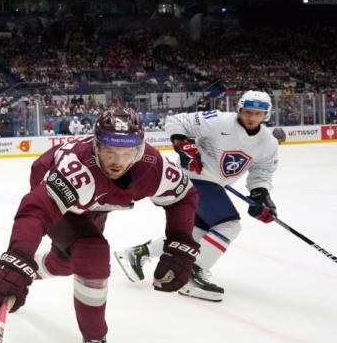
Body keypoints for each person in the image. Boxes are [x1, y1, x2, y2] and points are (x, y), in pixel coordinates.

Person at [0, 108, 198, 343]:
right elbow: (35, 210)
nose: (118, 161)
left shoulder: (154, 167)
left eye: (127, 152)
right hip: (58, 184)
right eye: (109, 151)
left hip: (94, 199)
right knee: (92, 251)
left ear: (141, 147)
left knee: (71, 260)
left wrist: (181, 241)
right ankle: (95, 337)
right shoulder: (79, 170)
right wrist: (16, 257)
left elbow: (184, 195)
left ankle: (36, 268)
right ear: (96, 145)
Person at [114, 90, 279, 302]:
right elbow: (175, 121)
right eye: (248, 112)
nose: (252, 117)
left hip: (215, 183)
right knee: (229, 226)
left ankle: (138, 253)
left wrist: (260, 195)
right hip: (194, 176)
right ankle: (192, 274)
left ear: (266, 115)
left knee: (197, 233)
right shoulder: (219, 121)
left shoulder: (268, 143)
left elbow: (262, 172)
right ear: (239, 108)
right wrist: (182, 143)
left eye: (258, 113)